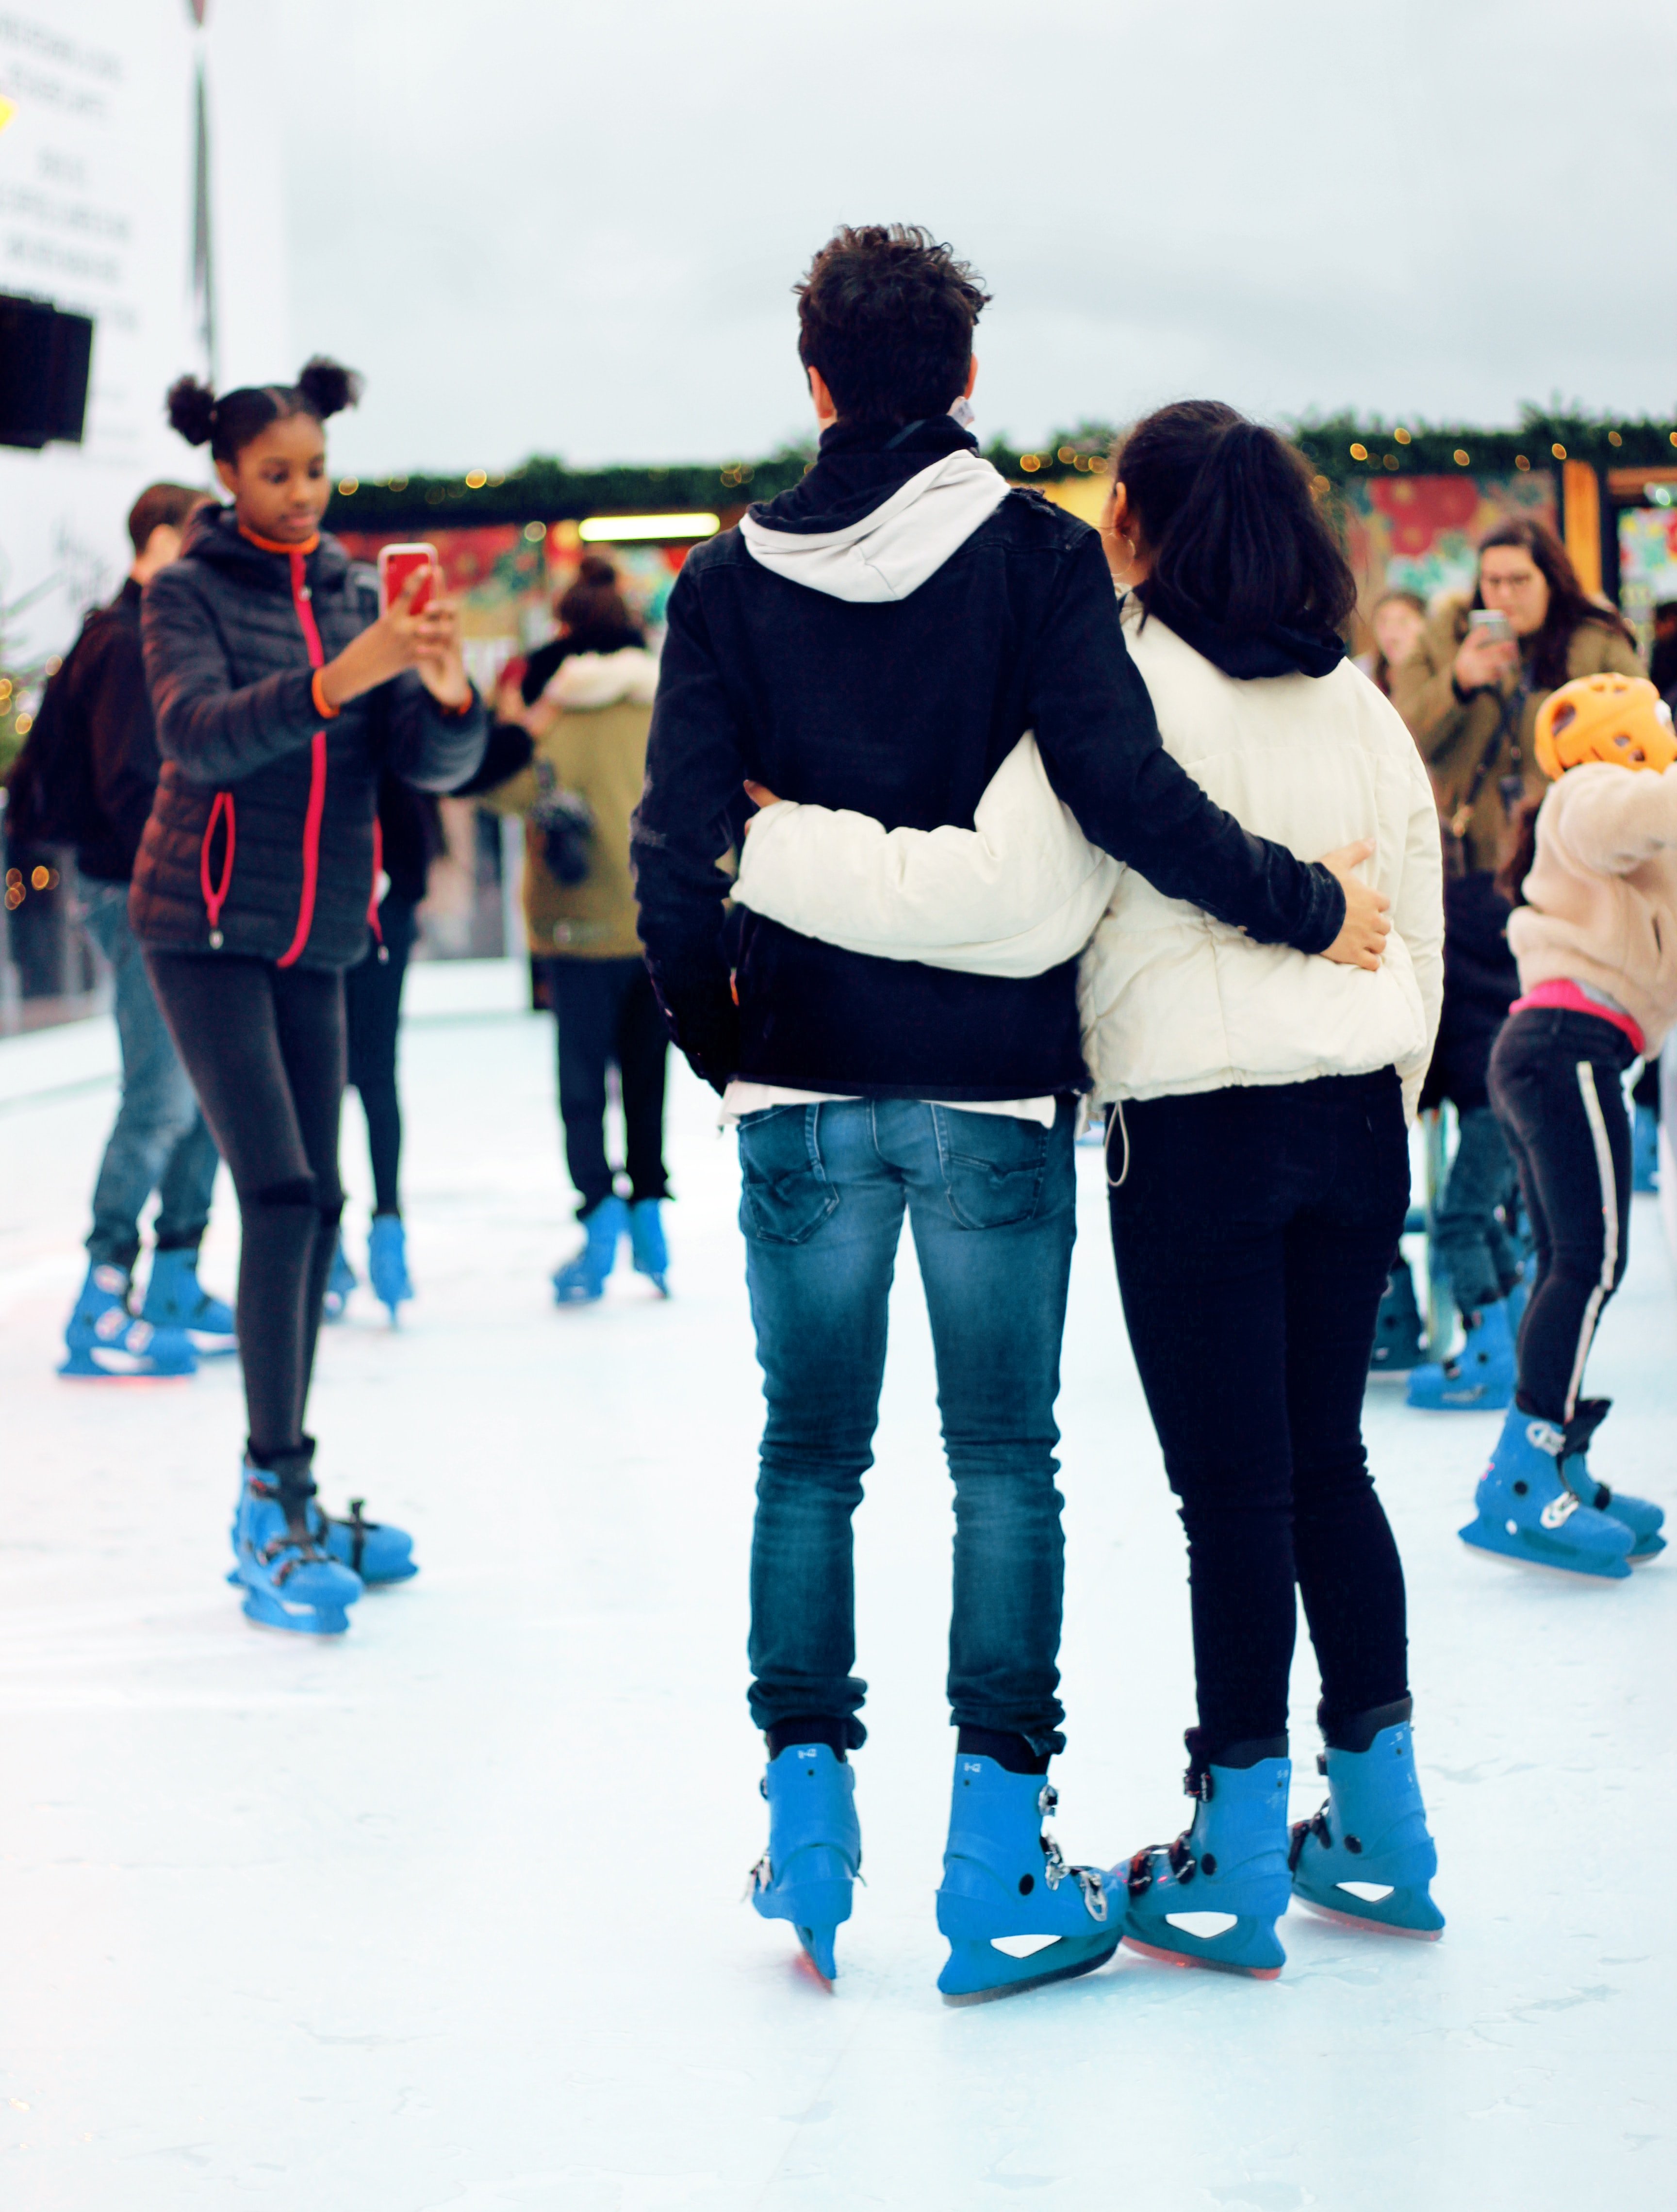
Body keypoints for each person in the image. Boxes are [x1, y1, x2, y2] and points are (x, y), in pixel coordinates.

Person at [631, 226, 1391, 2001]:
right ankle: (997, 1858)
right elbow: (1126, 796)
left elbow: (680, 850)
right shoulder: (1041, 561)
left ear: (812, 380)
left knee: (807, 1456)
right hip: (994, 1092)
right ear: (966, 379)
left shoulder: (728, 586)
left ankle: (808, 1813)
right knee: (1001, 1468)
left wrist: (722, 1035)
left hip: (803, 1079)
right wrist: (1302, 901)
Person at [132, 360, 487, 1633]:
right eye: (273, 474)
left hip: (323, 929)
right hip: (204, 925)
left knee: (320, 1200)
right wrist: (348, 675)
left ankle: (290, 1487)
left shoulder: (353, 594)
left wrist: (442, 689)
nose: (298, 495)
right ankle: (268, 1499)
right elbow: (199, 735)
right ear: (226, 475)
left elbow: (425, 762)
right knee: (279, 1191)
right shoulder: (183, 594)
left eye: (315, 473)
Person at [1394, 525, 1641, 1411]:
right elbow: (1406, 729)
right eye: (1489, 575)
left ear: (1550, 578)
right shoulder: (1450, 629)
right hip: (1461, 885)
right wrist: (1463, 678)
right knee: (1484, 1082)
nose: (1501, 590)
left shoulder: (1593, 640)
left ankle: (1527, 1323)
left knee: (1541, 1138)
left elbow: (1634, 749)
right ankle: (1510, 1326)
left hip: (1556, 895)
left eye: (1518, 577)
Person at [1460, 672, 1674, 1578]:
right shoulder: (1590, 795)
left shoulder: (1621, 827)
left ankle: (1560, 1463)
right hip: (1566, 1044)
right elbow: (1633, 811)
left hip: (1560, 1045)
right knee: (1594, 1258)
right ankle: (1523, 1467)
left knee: (1570, 1260)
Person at [31, 484, 236, 1376]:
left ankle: (174, 1280)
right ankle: (101, 1293)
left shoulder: (157, 632)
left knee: (205, 1090)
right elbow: (131, 782)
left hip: (180, 892)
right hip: (142, 892)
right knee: (160, 1096)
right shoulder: (124, 642)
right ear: (161, 539)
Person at [471, 555, 670, 1301]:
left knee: (583, 1083)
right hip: (655, 923)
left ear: (565, 629)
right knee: (647, 1078)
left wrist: (516, 721)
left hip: (573, 923)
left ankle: (599, 1220)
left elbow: (498, 788)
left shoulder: (551, 710)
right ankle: (651, 1216)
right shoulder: (665, 704)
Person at [324, 772, 442, 1323]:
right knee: (339, 1081)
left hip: (368, 926)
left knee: (361, 1077)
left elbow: (414, 825)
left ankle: (382, 1229)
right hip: (327, 926)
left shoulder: (378, 730)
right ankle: (344, 1237)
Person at [1362, 585, 1427, 698]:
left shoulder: (1442, 677)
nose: (1391, 635)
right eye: (1383, 623)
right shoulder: (1362, 674)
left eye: (1403, 622)